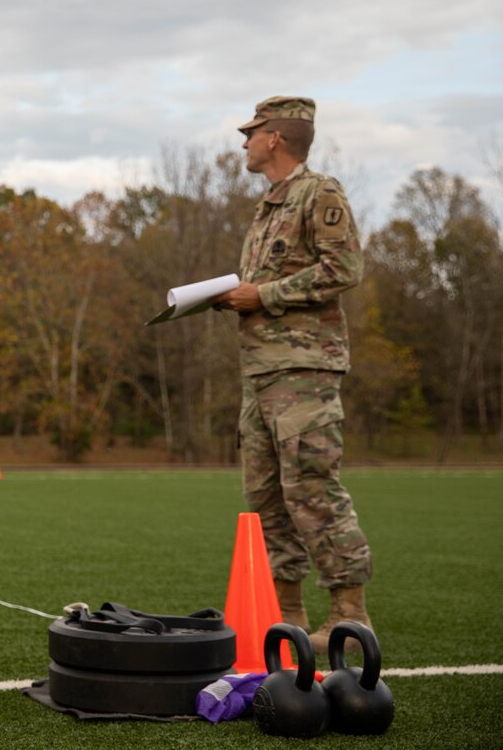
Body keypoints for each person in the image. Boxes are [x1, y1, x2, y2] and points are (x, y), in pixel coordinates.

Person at [215, 96, 373, 654]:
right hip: (260, 372)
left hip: (304, 369)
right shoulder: (268, 206)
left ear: (275, 138)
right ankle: (286, 618)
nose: (244, 142)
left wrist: (264, 294)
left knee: (312, 489)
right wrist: (230, 295)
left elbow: (344, 268)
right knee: (265, 501)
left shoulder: (318, 193)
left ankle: (350, 618)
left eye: (251, 133)